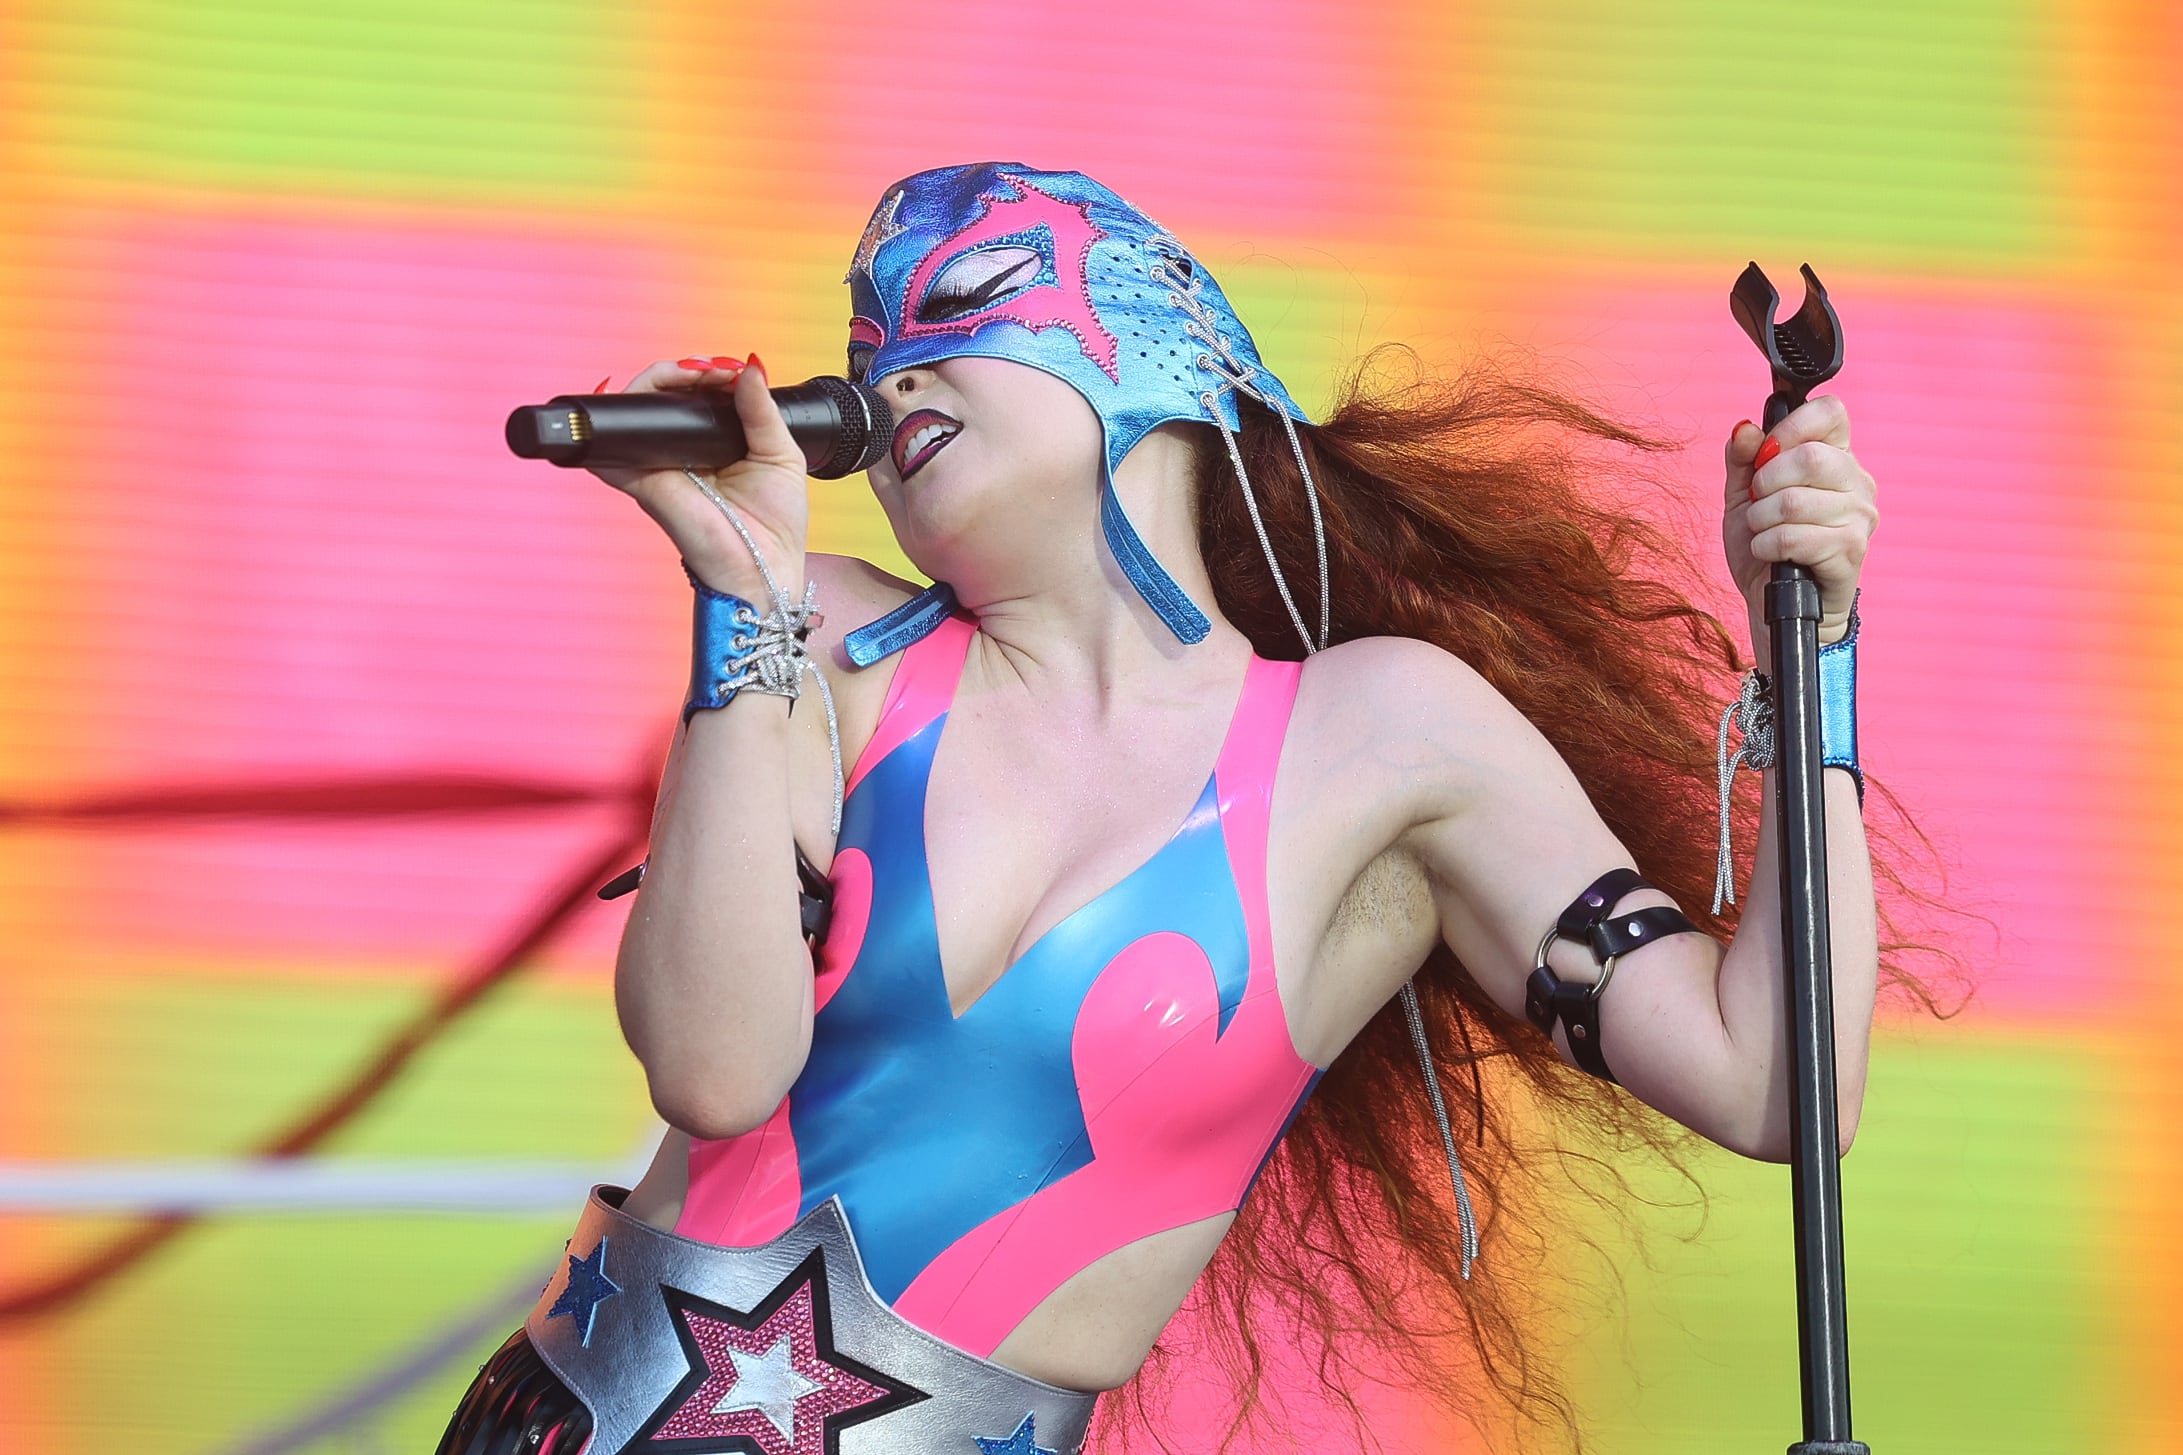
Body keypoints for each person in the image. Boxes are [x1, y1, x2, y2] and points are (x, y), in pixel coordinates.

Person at [438, 163, 1880, 1455]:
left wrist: (1813, 665)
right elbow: (711, 1070)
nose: (890, 385)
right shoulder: (819, 642)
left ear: (1152, 334)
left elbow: (1777, 1086)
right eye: (869, 355)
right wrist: (741, 607)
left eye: (964, 306)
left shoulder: (1383, 738)